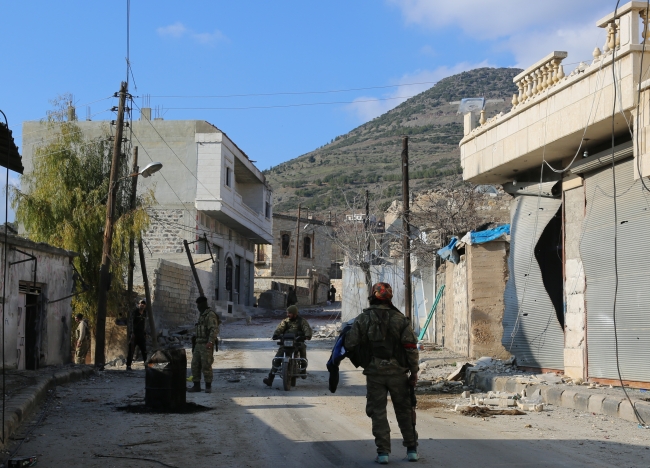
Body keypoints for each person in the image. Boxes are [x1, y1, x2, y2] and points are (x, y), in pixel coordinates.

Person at [344, 282, 419, 464]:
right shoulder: (400, 319)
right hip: (398, 373)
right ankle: (411, 450)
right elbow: (410, 347)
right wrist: (414, 372)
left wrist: (364, 361)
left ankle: (383, 453)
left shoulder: (363, 319)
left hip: (374, 373)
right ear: (390, 297)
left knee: (378, 412)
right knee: (404, 410)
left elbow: (350, 344)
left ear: (373, 295)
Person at [263, 305, 312, 386]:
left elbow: (306, 328)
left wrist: (307, 335)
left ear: (294, 314)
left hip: (297, 342)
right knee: (277, 358)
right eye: (287, 313)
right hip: (286, 342)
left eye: (290, 313)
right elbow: (280, 328)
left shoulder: (302, 321)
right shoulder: (285, 321)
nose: (288, 314)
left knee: (303, 348)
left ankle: (303, 369)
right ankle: (270, 378)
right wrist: (276, 334)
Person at [187, 296, 221, 394]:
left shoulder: (210, 315)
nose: (197, 306)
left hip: (206, 344)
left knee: (206, 365)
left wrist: (210, 342)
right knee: (195, 365)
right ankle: (196, 385)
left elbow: (214, 329)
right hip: (198, 343)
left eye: (198, 304)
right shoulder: (202, 315)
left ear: (202, 304)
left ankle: (208, 386)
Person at [126, 299, 148, 371]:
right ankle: (128, 366)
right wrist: (132, 333)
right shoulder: (135, 312)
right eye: (141, 303)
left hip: (141, 335)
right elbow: (130, 322)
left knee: (144, 351)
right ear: (139, 304)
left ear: (145, 306)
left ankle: (147, 366)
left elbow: (145, 323)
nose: (142, 305)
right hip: (134, 335)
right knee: (131, 351)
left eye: (144, 304)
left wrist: (145, 332)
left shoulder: (145, 313)